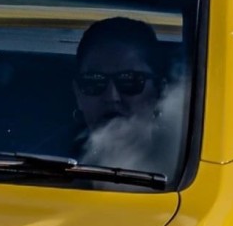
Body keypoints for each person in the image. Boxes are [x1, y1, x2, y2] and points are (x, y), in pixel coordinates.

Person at [69, 16, 170, 167]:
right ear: (78, 94)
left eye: (129, 80)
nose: (111, 97)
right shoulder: (50, 163)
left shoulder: (182, 165)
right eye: (95, 81)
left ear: (159, 91)